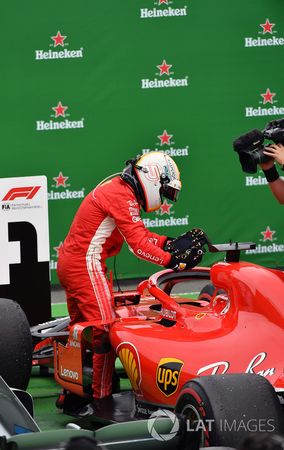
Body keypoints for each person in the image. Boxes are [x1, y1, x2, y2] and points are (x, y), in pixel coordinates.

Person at [57, 151, 206, 405]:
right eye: (165, 190)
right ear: (153, 177)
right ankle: (100, 397)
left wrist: (169, 243)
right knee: (104, 328)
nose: (164, 197)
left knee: (82, 331)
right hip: (85, 264)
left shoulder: (119, 191)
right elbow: (138, 245)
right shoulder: (120, 194)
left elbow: (139, 235)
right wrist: (174, 262)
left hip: (74, 263)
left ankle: (74, 394)